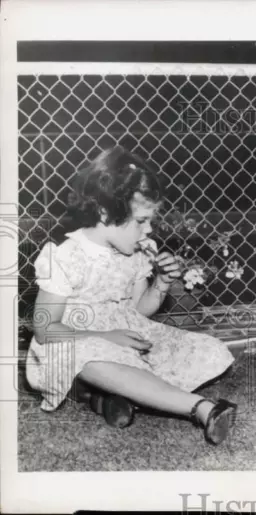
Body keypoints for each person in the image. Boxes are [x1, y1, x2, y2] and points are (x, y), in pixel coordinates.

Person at [26, 146, 237, 445]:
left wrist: (162, 282)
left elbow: (140, 311)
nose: (148, 229)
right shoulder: (66, 256)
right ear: (104, 211)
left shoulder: (134, 252)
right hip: (73, 343)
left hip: (126, 339)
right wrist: (107, 337)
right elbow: (45, 330)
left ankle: (105, 397)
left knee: (210, 350)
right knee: (91, 359)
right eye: (140, 220)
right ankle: (201, 407)